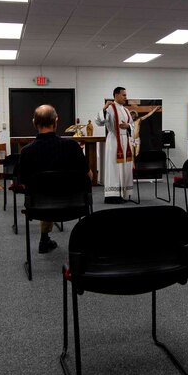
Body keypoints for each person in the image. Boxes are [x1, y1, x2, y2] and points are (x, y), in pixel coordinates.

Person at [17, 105, 89, 253]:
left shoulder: (26, 152)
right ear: (56, 121)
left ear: (34, 123)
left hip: (39, 208)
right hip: (75, 205)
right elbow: (88, 177)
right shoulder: (72, 147)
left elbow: (23, 184)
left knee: (44, 191)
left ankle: (44, 238)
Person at [96, 86, 133, 204]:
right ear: (116, 95)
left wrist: (128, 126)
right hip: (114, 141)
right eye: (123, 95)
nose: (126, 97)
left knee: (125, 167)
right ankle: (113, 195)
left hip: (125, 141)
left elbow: (133, 125)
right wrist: (104, 108)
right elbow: (99, 122)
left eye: (126, 95)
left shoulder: (126, 110)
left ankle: (123, 194)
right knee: (114, 167)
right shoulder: (111, 108)